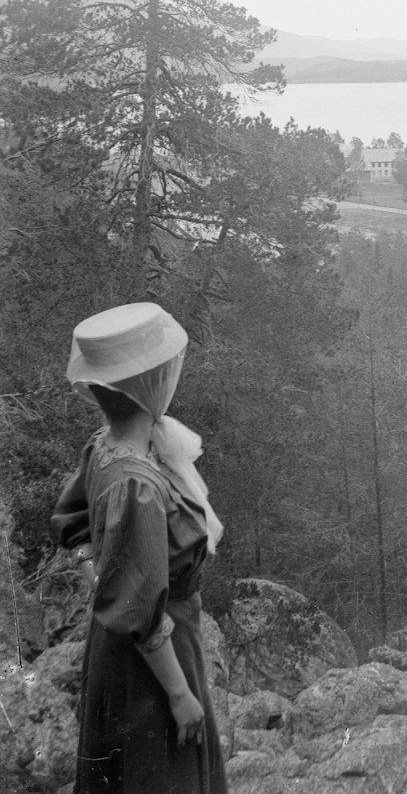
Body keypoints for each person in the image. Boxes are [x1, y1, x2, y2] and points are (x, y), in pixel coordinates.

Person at [51, 302, 228, 794]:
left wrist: (105, 586)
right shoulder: (137, 485)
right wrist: (178, 693)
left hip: (121, 646)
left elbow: (73, 529)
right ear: (148, 383)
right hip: (155, 663)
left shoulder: (104, 448)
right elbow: (143, 611)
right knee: (158, 777)